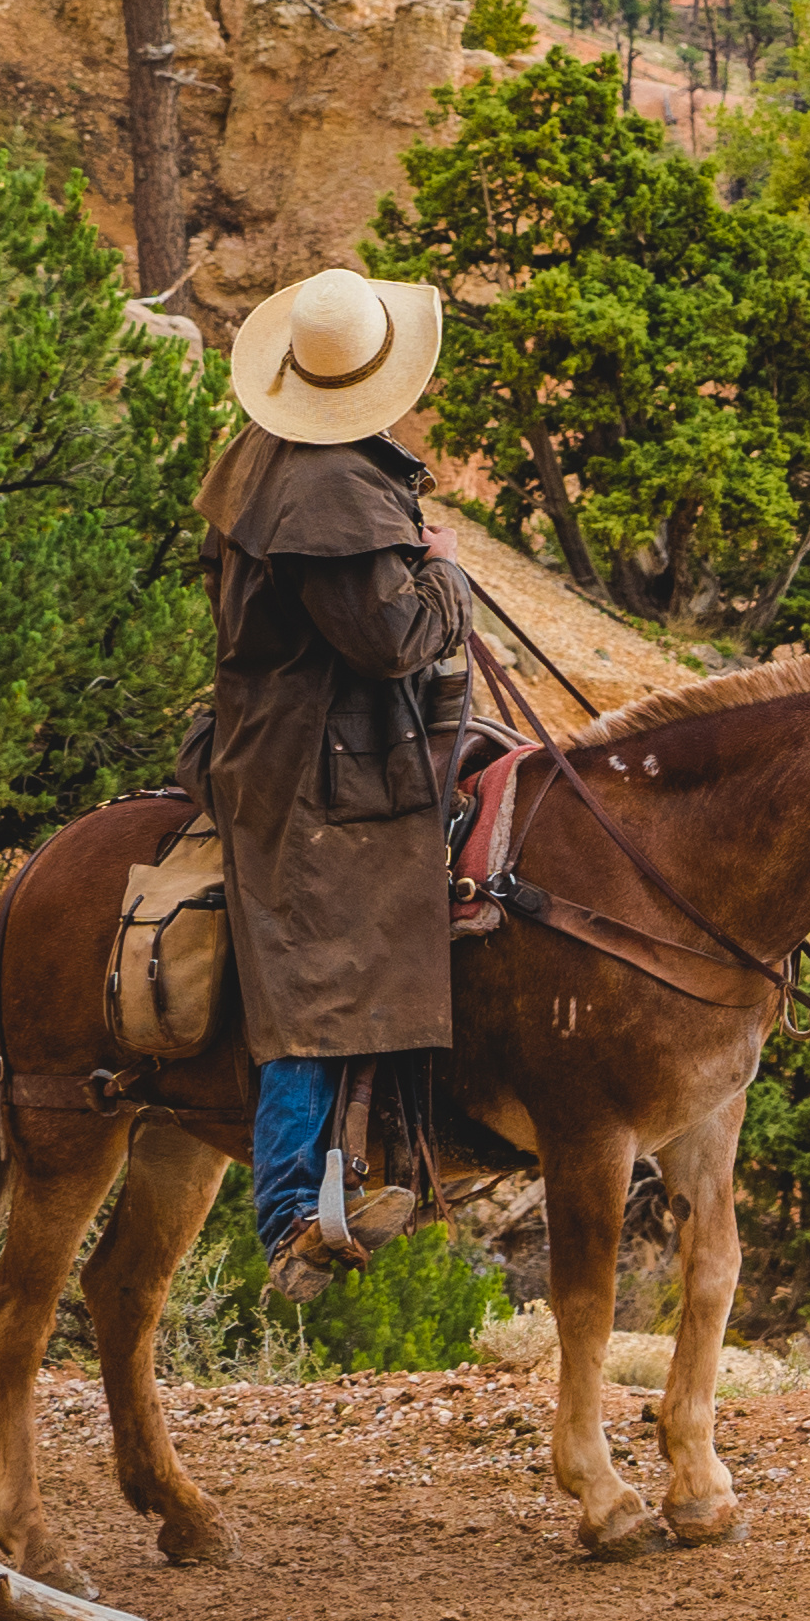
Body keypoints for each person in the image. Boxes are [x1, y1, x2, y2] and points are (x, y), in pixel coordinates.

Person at [192, 261, 478, 1290]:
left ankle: (362, 1167)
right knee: (312, 972)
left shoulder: (267, 458)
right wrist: (440, 567)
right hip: (314, 768)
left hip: (290, 739)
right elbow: (394, 637)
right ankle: (288, 1214)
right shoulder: (329, 491)